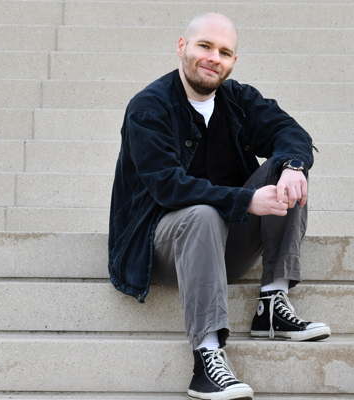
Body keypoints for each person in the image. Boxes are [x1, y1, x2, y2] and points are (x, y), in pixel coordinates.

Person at [108, 12, 329, 400]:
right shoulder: (149, 108)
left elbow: (290, 131)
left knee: (286, 168)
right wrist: (245, 200)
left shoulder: (237, 100)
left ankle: (272, 304)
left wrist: (294, 166)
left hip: (223, 247)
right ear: (182, 47)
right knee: (202, 212)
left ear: (233, 62)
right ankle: (207, 356)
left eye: (224, 52)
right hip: (156, 249)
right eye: (205, 46)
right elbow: (169, 188)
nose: (214, 58)